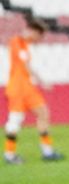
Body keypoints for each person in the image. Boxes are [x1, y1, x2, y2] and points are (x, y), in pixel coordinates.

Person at [5, 16, 63, 164]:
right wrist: (41, 81)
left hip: (27, 87)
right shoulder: (16, 41)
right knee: (15, 120)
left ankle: (47, 151)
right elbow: (25, 65)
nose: (39, 40)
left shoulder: (23, 44)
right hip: (18, 88)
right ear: (32, 32)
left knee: (43, 113)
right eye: (39, 36)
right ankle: (9, 155)